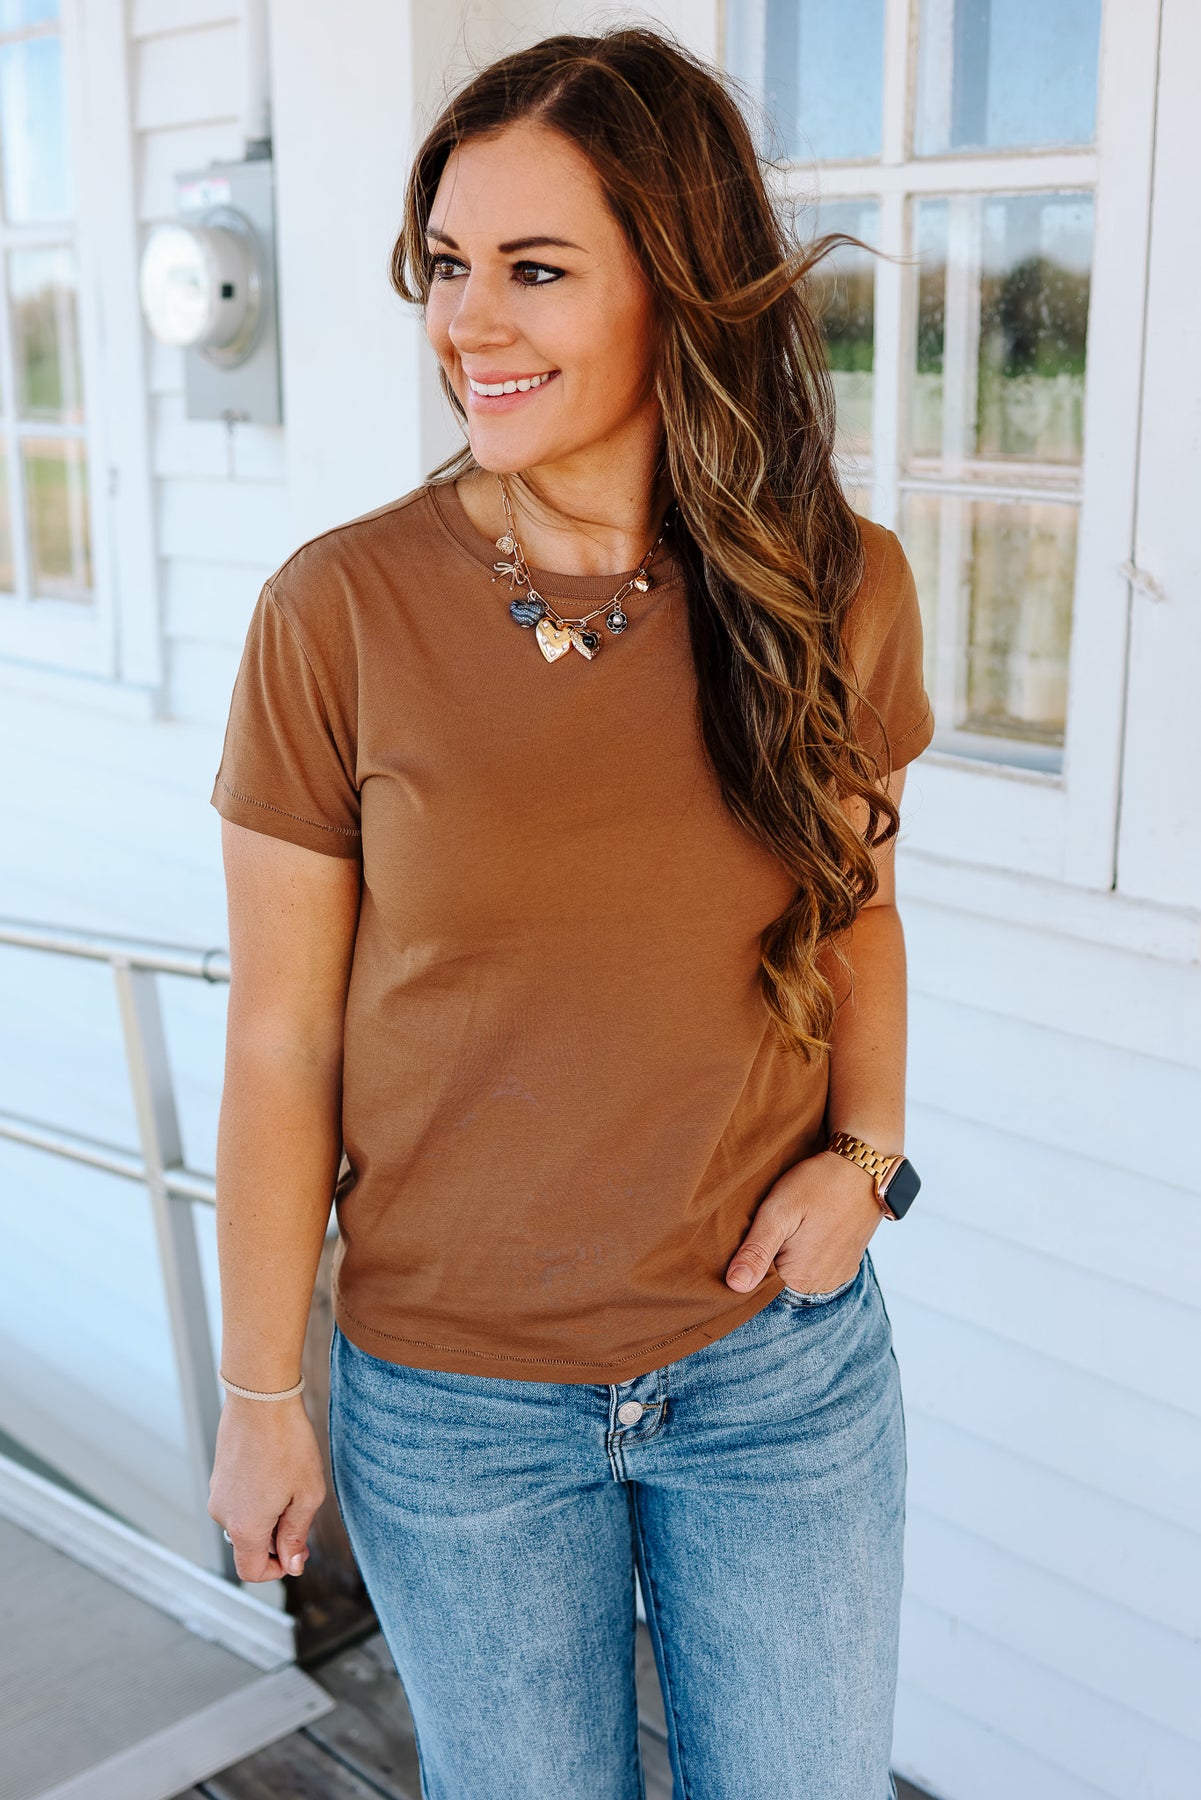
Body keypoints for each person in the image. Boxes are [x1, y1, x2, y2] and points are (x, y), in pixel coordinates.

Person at [206, 26, 935, 1800]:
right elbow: (282, 1037)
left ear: (677, 286)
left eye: (535, 269)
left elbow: (855, 918)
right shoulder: (336, 616)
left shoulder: (833, 587)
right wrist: (259, 1393)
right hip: (457, 1415)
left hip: (772, 1376)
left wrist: (867, 1161)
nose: (470, 321)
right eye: (449, 265)